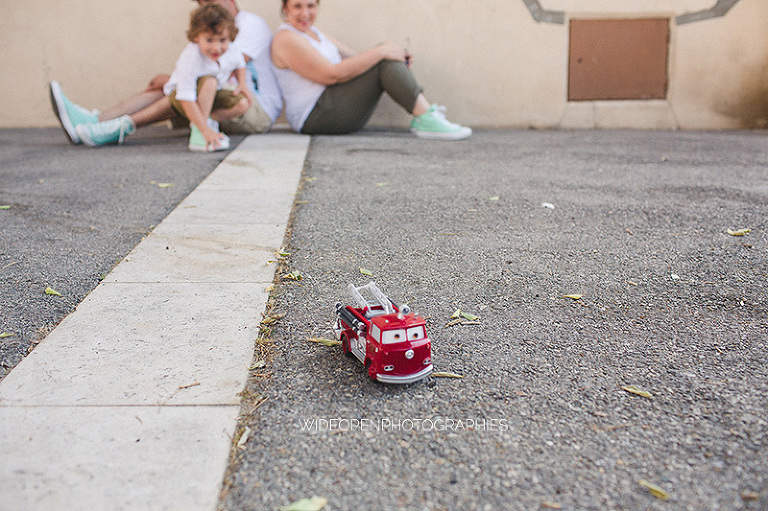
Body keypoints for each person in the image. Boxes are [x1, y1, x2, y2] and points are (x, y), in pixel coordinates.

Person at [49, 0, 282, 147]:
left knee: (179, 89)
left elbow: (226, 65)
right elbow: (193, 75)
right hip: (217, 94)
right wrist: (173, 81)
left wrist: (172, 81)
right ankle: (95, 120)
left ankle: (111, 126)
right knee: (176, 88)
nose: (211, 7)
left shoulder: (249, 25)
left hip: (254, 109)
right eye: (203, 3)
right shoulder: (205, 39)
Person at [271, 0, 471, 140]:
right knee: (381, 57)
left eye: (311, 5)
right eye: (297, 6)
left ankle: (426, 117)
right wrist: (382, 53)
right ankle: (426, 117)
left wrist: (393, 55)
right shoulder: (286, 38)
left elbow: (355, 57)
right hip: (315, 117)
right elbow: (331, 74)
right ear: (285, 8)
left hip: (332, 106)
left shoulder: (313, 33)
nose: (305, 13)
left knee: (381, 55)